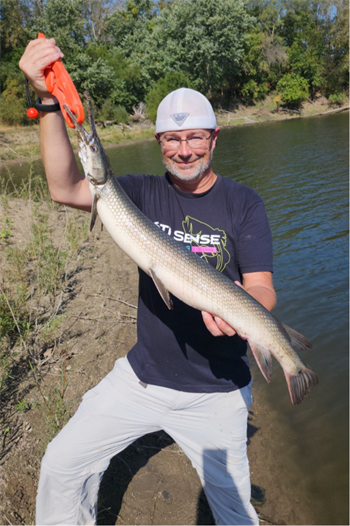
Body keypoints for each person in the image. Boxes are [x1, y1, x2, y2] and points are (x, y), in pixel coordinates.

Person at [19, 37, 277, 526]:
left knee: (235, 513)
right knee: (60, 465)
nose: (184, 151)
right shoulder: (134, 193)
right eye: (172, 140)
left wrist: (246, 304)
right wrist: (49, 101)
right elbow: (63, 186)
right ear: (159, 142)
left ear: (215, 138)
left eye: (195, 137)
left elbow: (262, 287)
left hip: (217, 391)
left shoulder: (245, 203)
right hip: (140, 378)